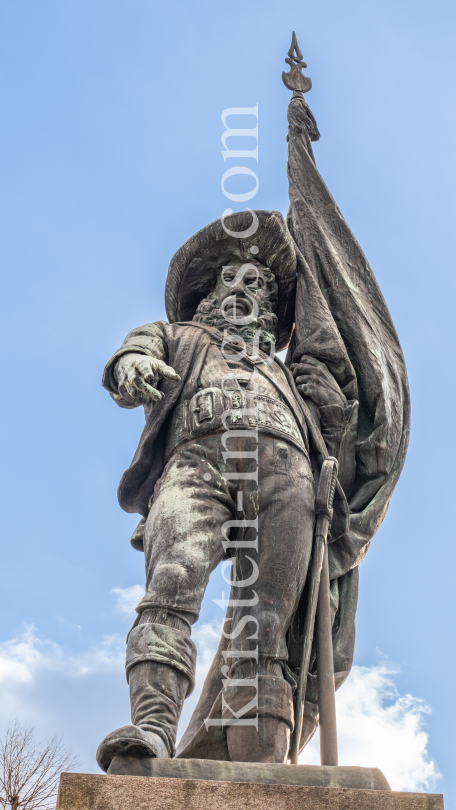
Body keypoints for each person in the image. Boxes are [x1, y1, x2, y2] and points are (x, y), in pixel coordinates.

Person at [96, 211, 358, 770]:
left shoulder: (287, 373)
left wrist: (331, 417)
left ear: (270, 306)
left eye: (258, 284)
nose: (243, 289)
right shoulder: (179, 337)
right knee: (171, 587)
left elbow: (336, 446)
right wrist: (134, 365)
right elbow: (129, 356)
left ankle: (260, 764)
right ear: (211, 293)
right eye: (231, 280)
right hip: (197, 463)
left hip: (287, 478)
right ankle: (153, 729)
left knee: (267, 626)